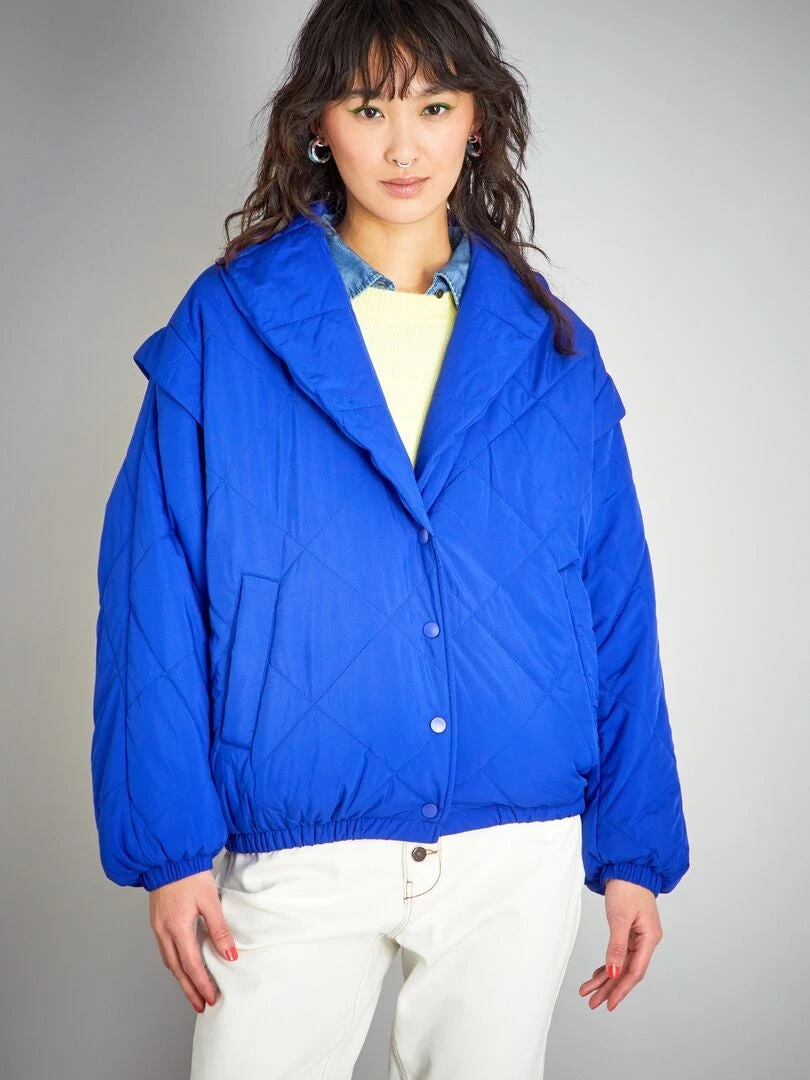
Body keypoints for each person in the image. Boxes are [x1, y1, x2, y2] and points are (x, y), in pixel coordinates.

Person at [90, 0, 690, 1076]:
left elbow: (616, 598)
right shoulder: (227, 327)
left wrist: (634, 849)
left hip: (515, 846)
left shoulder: (553, 348)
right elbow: (152, 589)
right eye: (370, 109)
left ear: (478, 121)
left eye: (435, 107)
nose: (404, 146)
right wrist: (169, 846)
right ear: (320, 125)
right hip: (303, 833)